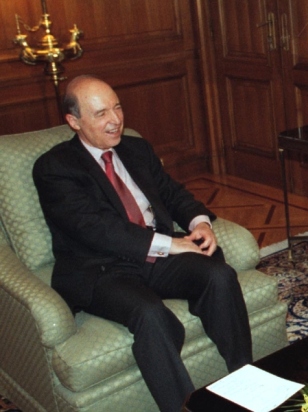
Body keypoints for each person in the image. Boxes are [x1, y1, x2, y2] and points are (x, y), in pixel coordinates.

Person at [33, 75, 253, 412]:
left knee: (219, 275)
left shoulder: (135, 148)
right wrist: (168, 243)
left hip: (156, 258)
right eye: (101, 113)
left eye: (117, 107)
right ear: (74, 121)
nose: (115, 120)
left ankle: (246, 381)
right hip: (102, 269)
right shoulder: (55, 167)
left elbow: (171, 192)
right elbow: (94, 229)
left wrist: (199, 222)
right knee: (151, 315)